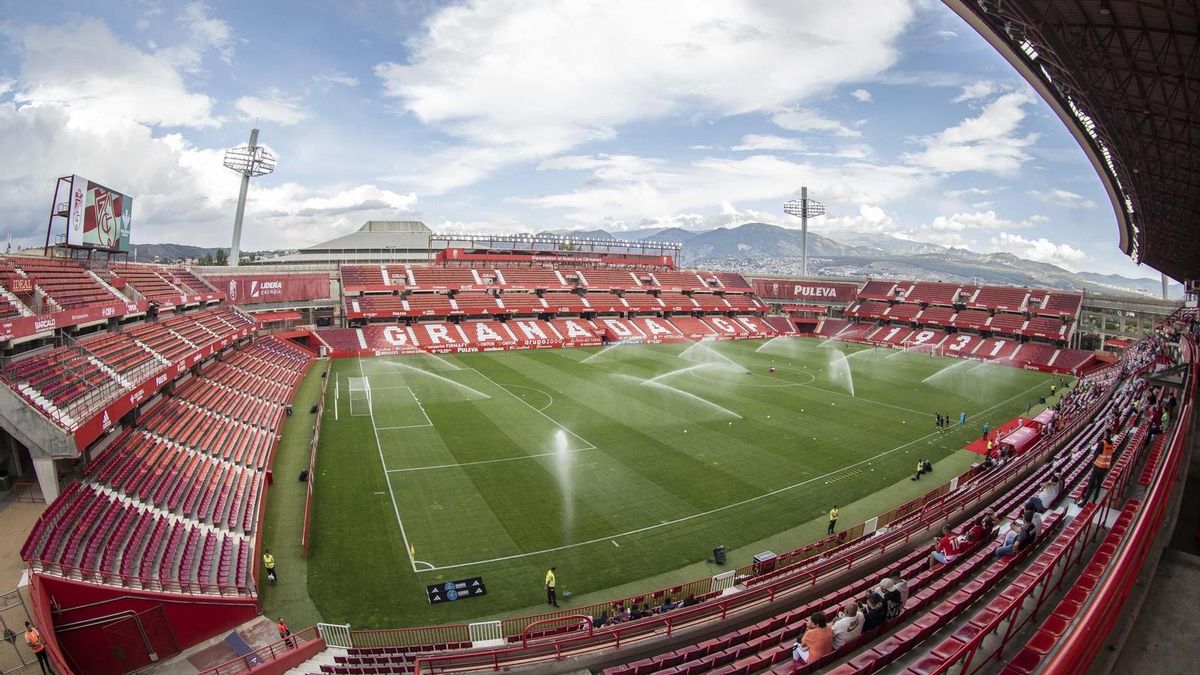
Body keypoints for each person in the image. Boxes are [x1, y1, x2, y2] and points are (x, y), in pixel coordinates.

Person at [1078, 436, 1115, 505]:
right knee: (1098, 485)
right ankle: (1094, 500)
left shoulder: (1102, 443)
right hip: (1105, 467)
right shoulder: (1111, 444)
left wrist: (1093, 462)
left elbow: (1096, 454)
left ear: (1106, 434)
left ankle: (1084, 502)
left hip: (1098, 466)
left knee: (1090, 484)